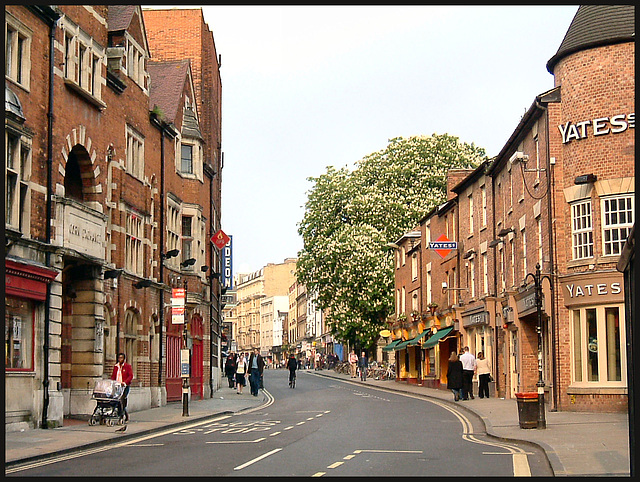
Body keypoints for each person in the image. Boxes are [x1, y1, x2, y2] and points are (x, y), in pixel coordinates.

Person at [110, 353, 133, 422]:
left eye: (121, 358)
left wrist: (125, 382)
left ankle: (122, 414)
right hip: (117, 386)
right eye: (119, 358)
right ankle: (123, 413)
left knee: (122, 400)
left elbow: (130, 376)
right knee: (116, 400)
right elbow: (113, 376)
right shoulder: (116, 366)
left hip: (124, 386)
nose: (120, 359)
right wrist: (112, 383)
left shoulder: (127, 366)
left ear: (124, 359)